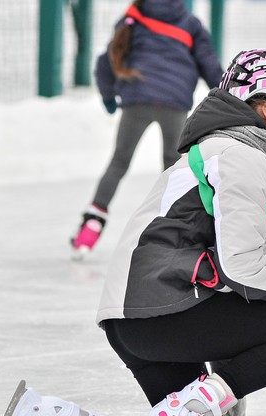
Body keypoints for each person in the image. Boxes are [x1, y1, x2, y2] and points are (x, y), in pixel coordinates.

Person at [0, 49, 266, 416]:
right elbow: (243, 267)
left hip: (138, 316)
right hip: (154, 309)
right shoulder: (241, 156)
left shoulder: (220, 149)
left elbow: (218, 270)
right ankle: (192, 408)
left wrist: (229, 385)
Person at [71, 0, 224, 258]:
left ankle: (91, 226)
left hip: (136, 99)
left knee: (119, 161)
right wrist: (224, 99)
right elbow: (210, 66)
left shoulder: (133, 18)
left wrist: (109, 97)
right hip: (174, 104)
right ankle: (178, 230)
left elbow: (106, 61)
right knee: (174, 167)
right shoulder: (190, 24)